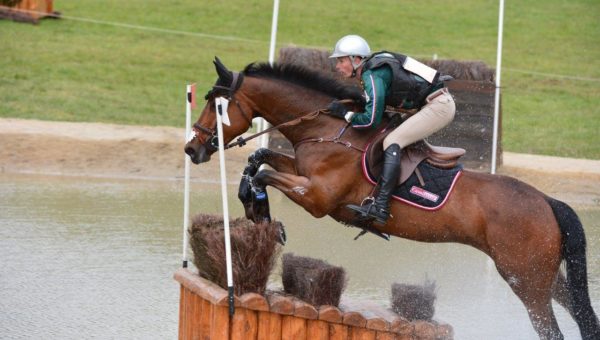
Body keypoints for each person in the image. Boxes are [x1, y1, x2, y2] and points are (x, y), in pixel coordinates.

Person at [327, 34, 456, 224]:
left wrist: (345, 115)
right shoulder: (375, 66)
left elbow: (370, 121)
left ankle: (381, 205)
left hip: (438, 106)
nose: (337, 66)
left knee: (392, 141)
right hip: (430, 104)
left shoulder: (371, 73)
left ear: (356, 59)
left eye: (341, 60)